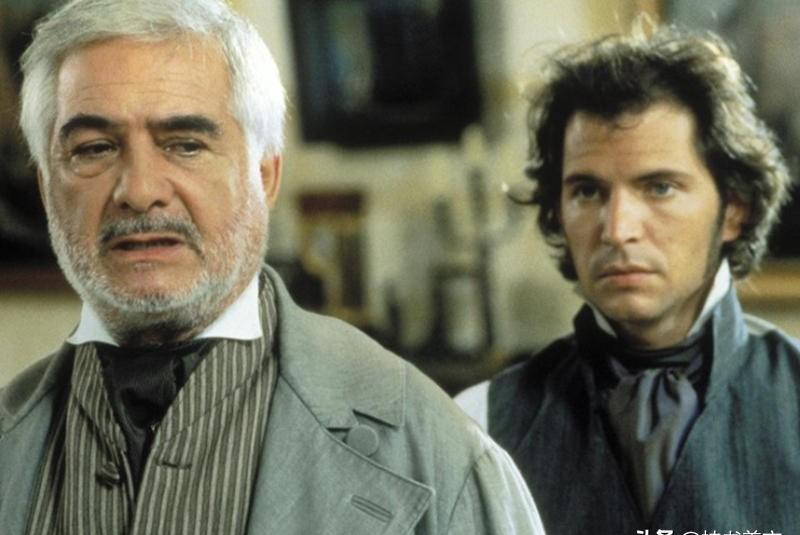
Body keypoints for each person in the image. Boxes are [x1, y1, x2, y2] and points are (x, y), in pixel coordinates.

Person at [0, 1, 545, 533]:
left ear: (265, 177)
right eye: (94, 149)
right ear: (47, 188)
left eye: (185, 145)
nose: (139, 191)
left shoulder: (439, 456)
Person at [458, 24, 799, 535]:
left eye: (659, 187)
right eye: (588, 191)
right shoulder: (481, 422)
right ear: (558, 211)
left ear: (733, 210)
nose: (617, 230)